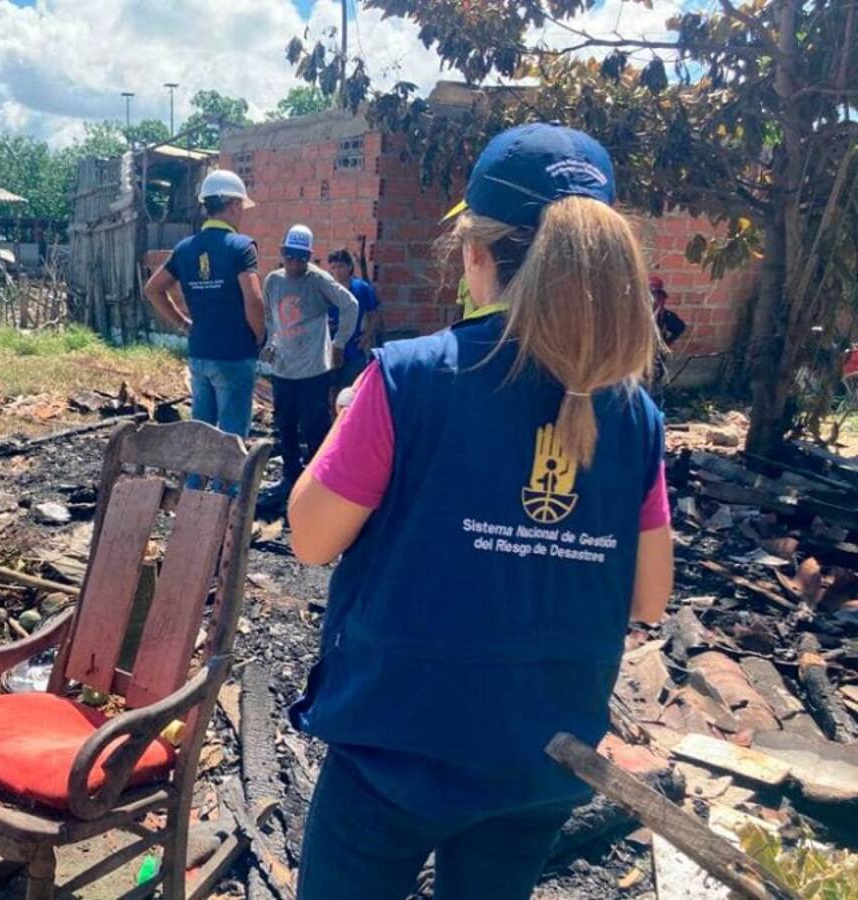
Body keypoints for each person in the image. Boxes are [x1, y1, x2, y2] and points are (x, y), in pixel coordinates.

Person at [285, 124, 674, 899]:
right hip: (544, 756)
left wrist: (345, 425)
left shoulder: (410, 379)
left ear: (476, 253)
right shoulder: (635, 415)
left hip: (396, 749)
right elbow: (651, 597)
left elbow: (308, 536)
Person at [144, 170, 265, 439]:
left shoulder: (185, 248)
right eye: (241, 207)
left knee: (200, 433)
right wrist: (259, 337)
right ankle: (232, 483)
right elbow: (254, 301)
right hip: (234, 353)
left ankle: (195, 482)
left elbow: (153, 289)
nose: (242, 212)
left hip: (199, 351)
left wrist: (184, 325)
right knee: (232, 438)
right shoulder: (241, 246)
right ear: (233, 205)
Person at [263, 225, 359, 498]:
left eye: (300, 259)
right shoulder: (273, 281)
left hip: (313, 370)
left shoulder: (318, 281)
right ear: (283, 253)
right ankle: (291, 476)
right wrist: (271, 344)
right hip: (284, 369)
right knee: (285, 424)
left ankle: (318, 481)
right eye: (290, 257)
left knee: (314, 426)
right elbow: (272, 318)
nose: (294, 264)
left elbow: (350, 305)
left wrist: (338, 344)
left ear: (308, 257)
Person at [326, 248, 382, 389]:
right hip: (328, 349)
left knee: (351, 391)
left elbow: (375, 315)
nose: (337, 271)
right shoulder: (326, 288)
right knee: (328, 389)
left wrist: (366, 337)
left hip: (353, 349)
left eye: (341, 266)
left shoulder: (361, 288)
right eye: (333, 267)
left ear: (350, 266)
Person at [649, 275, 686, 406]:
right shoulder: (636, 317)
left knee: (654, 391)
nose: (655, 299)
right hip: (637, 362)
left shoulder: (666, 316)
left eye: (658, 295)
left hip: (656, 361)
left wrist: (666, 343)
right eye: (652, 294)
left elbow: (680, 327)